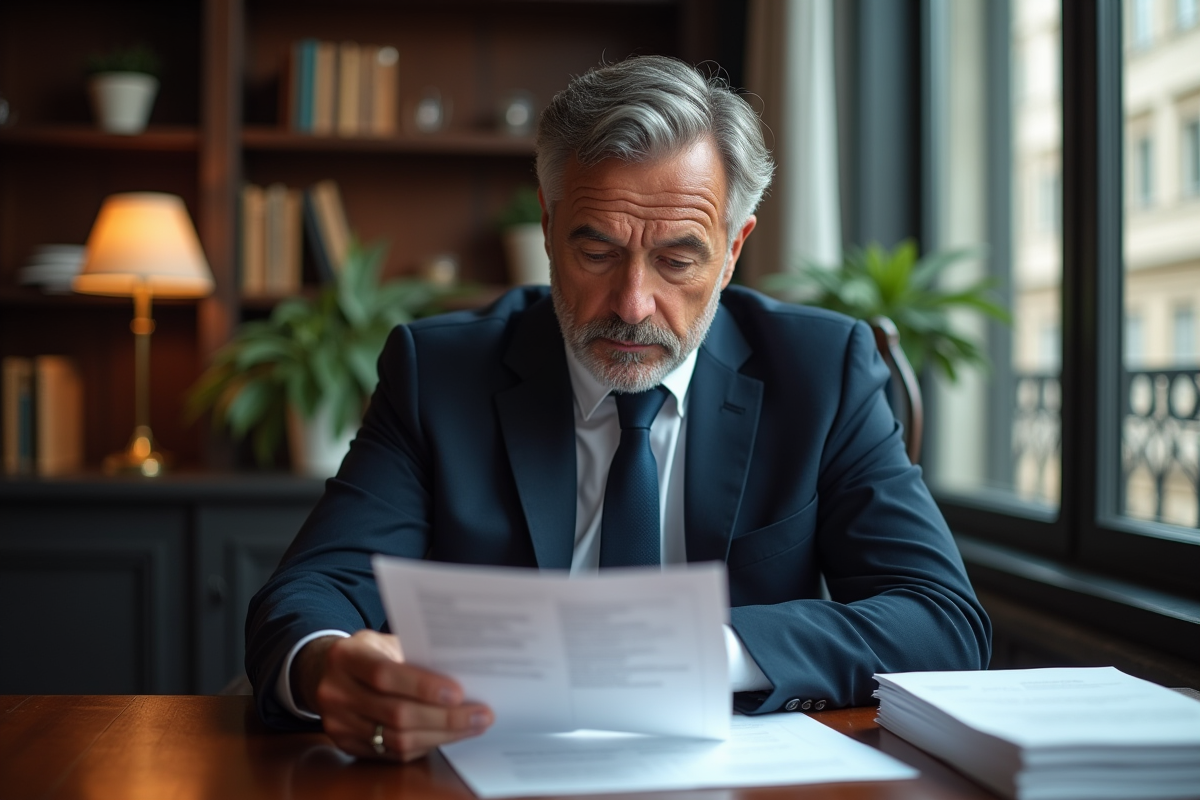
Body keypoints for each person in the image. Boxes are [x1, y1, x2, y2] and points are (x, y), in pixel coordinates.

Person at [245, 55, 991, 763]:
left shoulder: (821, 373)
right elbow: (310, 591)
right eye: (596, 252)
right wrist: (324, 667)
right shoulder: (440, 373)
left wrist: (696, 650)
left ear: (734, 249)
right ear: (546, 223)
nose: (633, 306)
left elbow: (940, 618)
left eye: (678, 259)